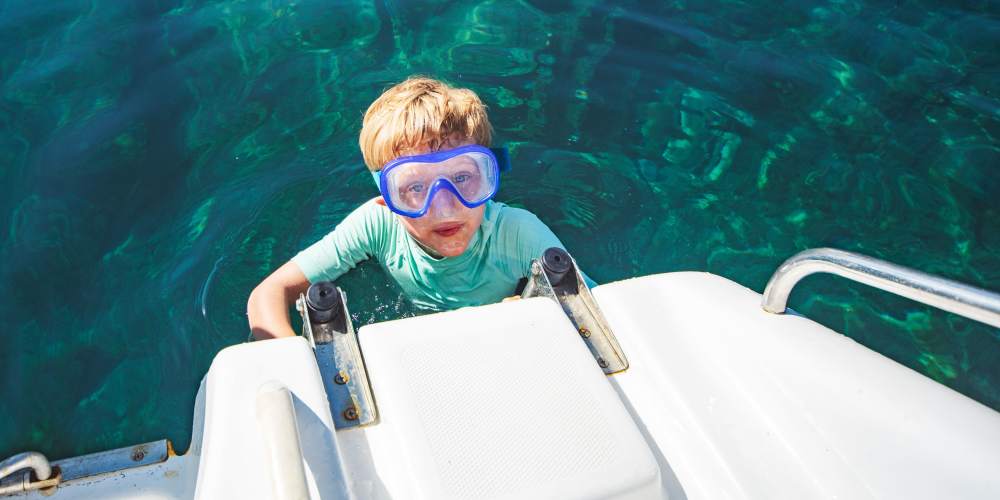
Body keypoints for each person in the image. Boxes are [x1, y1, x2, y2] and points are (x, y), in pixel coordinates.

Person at [247, 76, 587, 340]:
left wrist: (533, 315)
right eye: (415, 187)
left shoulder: (517, 233)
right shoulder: (377, 225)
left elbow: (596, 309)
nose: (444, 208)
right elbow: (269, 293)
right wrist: (295, 364)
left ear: (488, 175)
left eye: (462, 177)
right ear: (386, 199)